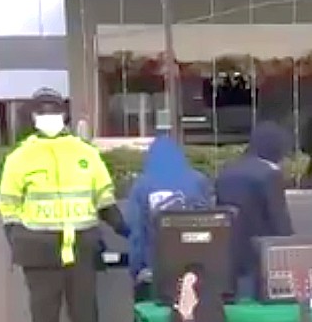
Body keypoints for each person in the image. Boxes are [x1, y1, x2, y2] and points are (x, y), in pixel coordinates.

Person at [0, 87, 129, 322]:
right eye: (42, 111)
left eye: (53, 110)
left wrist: (124, 228)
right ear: (33, 117)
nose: (49, 116)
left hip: (81, 252)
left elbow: (103, 197)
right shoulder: (20, 157)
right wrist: (17, 239)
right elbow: (8, 205)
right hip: (39, 255)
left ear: (64, 114)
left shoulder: (85, 153)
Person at [126, 135, 212, 302]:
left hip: (155, 268)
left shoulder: (142, 185)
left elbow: (136, 231)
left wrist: (136, 269)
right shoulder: (198, 181)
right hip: (193, 267)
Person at [215, 121, 294, 297]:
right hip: (260, 257)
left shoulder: (227, 172)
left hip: (229, 257)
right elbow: (279, 220)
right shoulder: (269, 174)